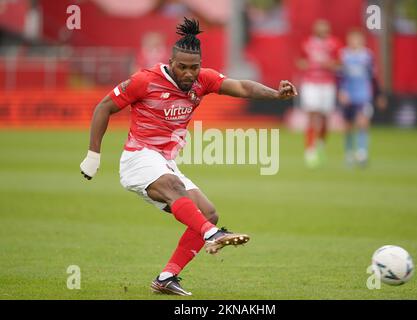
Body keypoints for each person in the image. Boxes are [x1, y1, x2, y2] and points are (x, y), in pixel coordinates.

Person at [80, 17, 297, 296]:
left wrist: (276, 95)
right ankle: (212, 235)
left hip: (165, 161)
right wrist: (93, 155)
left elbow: (241, 87)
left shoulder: (203, 79)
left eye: (193, 67)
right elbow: (103, 108)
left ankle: (167, 277)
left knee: (208, 212)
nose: (188, 73)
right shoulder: (144, 81)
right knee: (176, 189)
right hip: (138, 158)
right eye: (181, 66)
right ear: (171, 62)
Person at [338, 29, 386, 167]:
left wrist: (379, 95)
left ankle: (362, 153)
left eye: (357, 39)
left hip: (363, 95)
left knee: (363, 122)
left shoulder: (367, 56)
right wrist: (341, 91)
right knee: (347, 126)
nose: (354, 42)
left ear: (361, 41)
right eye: (352, 39)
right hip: (348, 95)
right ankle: (348, 153)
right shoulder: (344, 55)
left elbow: (374, 78)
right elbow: (339, 76)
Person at [296, 19, 340, 168]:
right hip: (311, 83)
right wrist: (305, 65)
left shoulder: (334, 43)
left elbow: (339, 63)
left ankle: (321, 143)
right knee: (312, 115)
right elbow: (300, 61)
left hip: (327, 83)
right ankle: (309, 150)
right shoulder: (307, 43)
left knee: (325, 117)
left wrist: (328, 64)